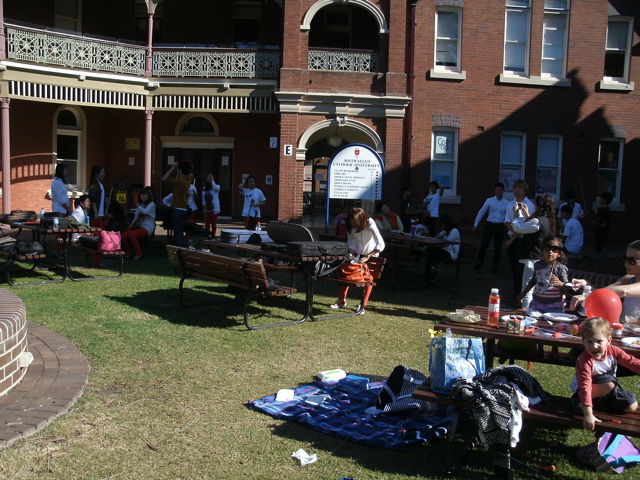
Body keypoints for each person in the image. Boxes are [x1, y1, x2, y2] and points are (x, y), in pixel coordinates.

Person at [570, 317, 640, 430]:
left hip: (606, 391)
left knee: (632, 405)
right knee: (609, 382)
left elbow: (631, 362)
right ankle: (579, 402)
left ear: (609, 340)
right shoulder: (584, 361)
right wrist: (588, 414)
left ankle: (598, 404)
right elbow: (585, 386)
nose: (594, 346)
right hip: (584, 391)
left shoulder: (613, 351)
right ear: (583, 341)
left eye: (599, 341)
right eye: (589, 342)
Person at [330, 207, 385, 315]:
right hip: (358, 254)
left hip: (372, 253)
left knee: (368, 279)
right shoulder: (350, 227)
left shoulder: (370, 223)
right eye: (351, 223)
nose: (353, 225)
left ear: (360, 220)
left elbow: (380, 243)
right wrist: (350, 254)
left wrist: (368, 256)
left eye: (355, 222)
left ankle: (363, 304)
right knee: (346, 274)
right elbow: (351, 243)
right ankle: (341, 299)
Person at [571, 240, 640, 324]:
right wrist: (587, 285)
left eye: (632, 260)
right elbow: (605, 293)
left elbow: (623, 291)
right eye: (625, 259)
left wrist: (588, 296)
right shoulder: (628, 279)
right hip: (627, 331)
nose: (626, 263)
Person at [516, 193, 556, 308]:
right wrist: (527, 215)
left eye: (536, 203)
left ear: (540, 205)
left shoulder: (537, 222)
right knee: (538, 290)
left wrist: (516, 217)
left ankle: (525, 312)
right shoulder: (547, 221)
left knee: (527, 290)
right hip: (542, 260)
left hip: (533, 259)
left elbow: (518, 228)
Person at [517, 235, 569, 313]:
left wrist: (560, 283)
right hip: (537, 304)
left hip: (553, 306)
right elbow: (533, 280)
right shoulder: (538, 265)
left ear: (559, 253)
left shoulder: (560, 268)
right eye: (547, 249)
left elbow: (567, 285)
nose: (550, 251)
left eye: (555, 249)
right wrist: (523, 293)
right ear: (542, 250)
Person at [503, 180, 536, 298]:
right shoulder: (510, 203)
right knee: (513, 267)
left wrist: (513, 237)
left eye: (519, 188)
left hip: (521, 239)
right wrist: (512, 230)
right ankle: (515, 292)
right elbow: (507, 220)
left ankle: (520, 293)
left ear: (525, 190)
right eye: (515, 188)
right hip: (511, 235)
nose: (516, 190)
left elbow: (525, 225)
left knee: (519, 268)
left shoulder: (529, 205)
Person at [473, 182, 509, 274]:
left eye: (500, 190)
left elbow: (509, 216)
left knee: (498, 247)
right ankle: (480, 262)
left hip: (500, 225)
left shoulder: (507, 203)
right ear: (494, 191)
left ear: (503, 191)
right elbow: (481, 212)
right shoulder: (489, 200)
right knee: (484, 244)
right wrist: (476, 224)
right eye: (497, 190)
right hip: (490, 224)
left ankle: (495, 266)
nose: (499, 192)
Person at [162, 161, 191, 248]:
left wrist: (172, 168)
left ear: (180, 170)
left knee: (178, 233)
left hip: (177, 210)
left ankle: (183, 250)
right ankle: (182, 249)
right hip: (183, 209)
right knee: (179, 231)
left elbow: (164, 178)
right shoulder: (186, 181)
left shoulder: (180, 182)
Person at [122, 187, 156, 261]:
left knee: (132, 235)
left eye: (145, 195)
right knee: (125, 235)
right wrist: (132, 224)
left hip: (148, 228)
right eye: (142, 195)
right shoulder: (141, 205)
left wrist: (138, 206)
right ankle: (129, 252)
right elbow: (136, 217)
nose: (144, 196)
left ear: (148, 196)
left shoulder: (151, 204)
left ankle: (139, 254)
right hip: (139, 227)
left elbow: (145, 212)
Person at [50, 163, 71, 258]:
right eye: (65, 170)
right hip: (59, 210)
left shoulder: (60, 182)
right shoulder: (56, 183)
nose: (66, 172)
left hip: (64, 210)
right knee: (60, 232)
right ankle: (57, 251)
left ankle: (61, 251)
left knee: (64, 232)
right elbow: (61, 199)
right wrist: (68, 208)